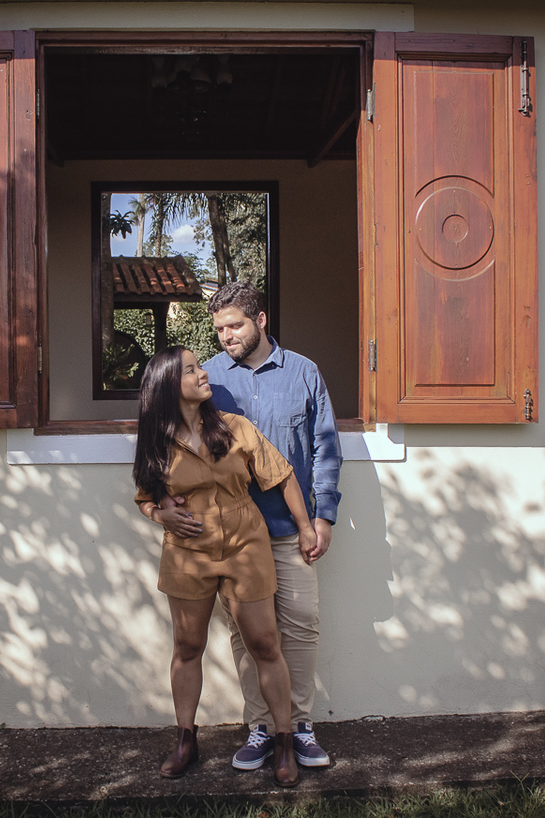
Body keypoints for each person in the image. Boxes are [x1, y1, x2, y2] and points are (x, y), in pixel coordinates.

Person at [153, 281, 341, 772]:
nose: (225, 336)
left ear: (260, 320)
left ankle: (298, 726)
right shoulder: (208, 377)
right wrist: (159, 505)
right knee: (247, 636)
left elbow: (324, 447)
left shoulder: (303, 372)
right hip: (229, 537)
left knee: (298, 626)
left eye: (234, 325)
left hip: (287, 528)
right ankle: (261, 727)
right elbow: (166, 444)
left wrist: (320, 518)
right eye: (219, 329)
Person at [133, 345, 318, 787]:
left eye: (200, 367)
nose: (204, 374)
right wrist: (160, 515)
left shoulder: (235, 427)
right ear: (168, 385)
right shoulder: (156, 440)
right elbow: (144, 497)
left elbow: (283, 475)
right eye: (191, 370)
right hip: (187, 551)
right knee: (187, 646)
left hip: (244, 544)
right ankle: (185, 740)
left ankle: (283, 740)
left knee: (265, 644)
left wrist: (306, 527)